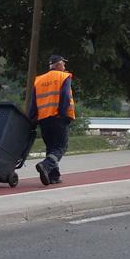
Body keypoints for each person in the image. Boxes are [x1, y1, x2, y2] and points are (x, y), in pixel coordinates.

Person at [28, 54, 76, 186]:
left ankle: (53, 176)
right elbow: (65, 96)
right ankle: (45, 165)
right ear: (59, 64)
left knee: (51, 147)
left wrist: (32, 119)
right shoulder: (64, 76)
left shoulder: (39, 80)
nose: (65, 66)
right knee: (61, 147)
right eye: (64, 64)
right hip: (58, 118)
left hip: (44, 119)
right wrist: (62, 113)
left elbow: (33, 103)